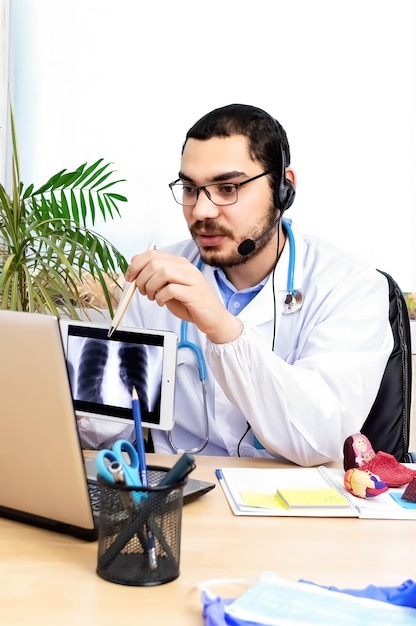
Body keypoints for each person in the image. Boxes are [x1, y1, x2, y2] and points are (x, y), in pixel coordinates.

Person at [78, 103, 393, 466]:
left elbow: (320, 440)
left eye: (227, 188)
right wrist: (77, 388)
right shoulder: (156, 278)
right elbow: (108, 434)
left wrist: (222, 327)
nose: (201, 211)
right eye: (191, 189)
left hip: (299, 509)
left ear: (283, 188)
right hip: (179, 499)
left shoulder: (349, 286)